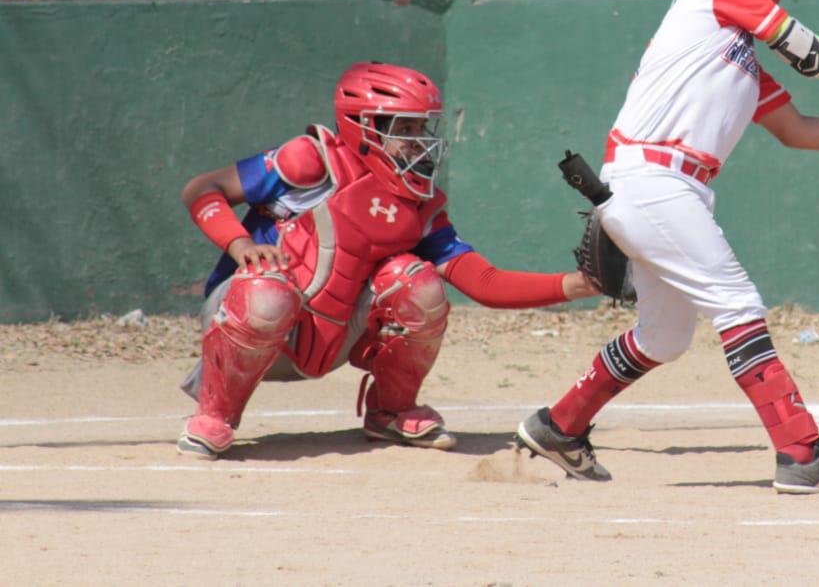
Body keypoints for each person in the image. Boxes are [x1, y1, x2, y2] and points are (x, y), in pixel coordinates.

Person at [514, 0, 819, 494]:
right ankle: (803, 453)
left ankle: (559, 425)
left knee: (664, 337)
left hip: (668, 188)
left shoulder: (731, 52)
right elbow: (808, 53)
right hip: (654, 181)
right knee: (738, 304)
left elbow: (797, 130)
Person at [177, 61, 601, 459]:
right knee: (266, 290)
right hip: (244, 317)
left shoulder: (419, 202)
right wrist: (240, 245)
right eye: (406, 128)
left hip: (331, 335)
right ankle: (214, 415)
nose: (420, 140)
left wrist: (581, 284)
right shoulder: (311, 160)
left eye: (422, 127)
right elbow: (202, 189)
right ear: (364, 126)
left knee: (417, 284)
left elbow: (483, 281)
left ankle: (392, 411)